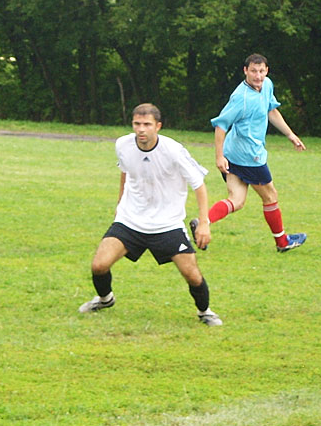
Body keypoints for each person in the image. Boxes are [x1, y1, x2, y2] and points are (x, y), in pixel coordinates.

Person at [78, 103, 222, 327]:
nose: (141, 129)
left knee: (191, 274)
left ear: (158, 126)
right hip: (130, 219)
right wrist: (120, 203)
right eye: (137, 124)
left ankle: (205, 312)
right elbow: (125, 172)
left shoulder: (173, 150)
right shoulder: (123, 145)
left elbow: (199, 185)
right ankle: (105, 299)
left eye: (147, 124)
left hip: (168, 224)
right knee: (99, 265)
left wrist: (204, 223)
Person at [200, 53, 307, 253]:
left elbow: (271, 110)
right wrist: (218, 157)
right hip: (250, 157)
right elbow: (221, 125)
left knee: (236, 200)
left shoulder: (267, 85)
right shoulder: (241, 97)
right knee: (270, 196)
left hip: (234, 154)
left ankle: (203, 222)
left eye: (261, 71)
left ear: (266, 70)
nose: (258, 76)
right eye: (253, 71)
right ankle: (282, 242)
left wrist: (290, 135)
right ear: (245, 71)